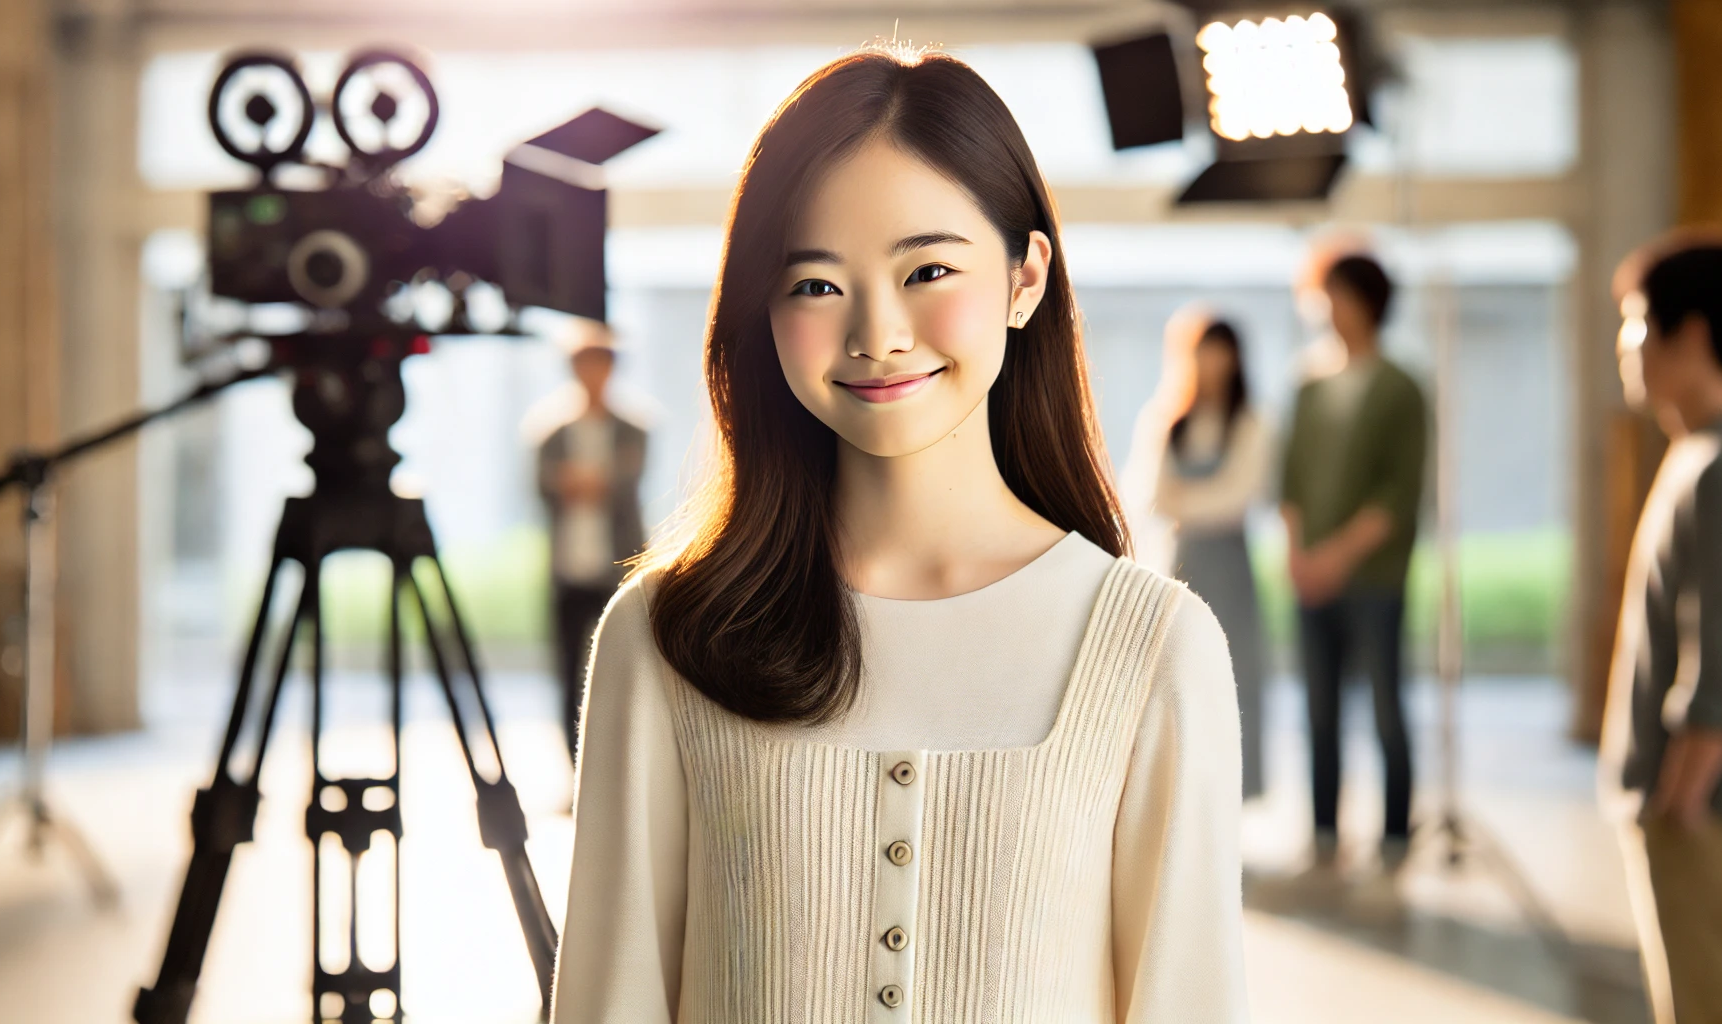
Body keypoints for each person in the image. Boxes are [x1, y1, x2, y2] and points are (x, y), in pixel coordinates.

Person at [553, 47, 1247, 1021]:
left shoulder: (1151, 647)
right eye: (815, 284)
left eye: (927, 268)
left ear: (1023, 276)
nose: (877, 332)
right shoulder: (664, 635)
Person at [1600, 239, 1722, 1024]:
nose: (1627, 348)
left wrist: (1680, 796)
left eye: (1636, 327)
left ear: (1690, 335)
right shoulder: (1701, 452)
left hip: (1712, 810)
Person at [1280, 253, 1428, 866]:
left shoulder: (1401, 388)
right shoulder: (1309, 385)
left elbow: (1397, 494)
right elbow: (1289, 481)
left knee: (1387, 708)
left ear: (1367, 301)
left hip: (1372, 576)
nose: (1325, 309)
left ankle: (1395, 833)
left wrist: (1335, 557)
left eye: (1335, 295)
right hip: (1311, 575)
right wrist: (1298, 556)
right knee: (1318, 710)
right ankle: (1323, 831)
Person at [1155, 317, 1272, 799]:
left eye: (1222, 352)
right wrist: (1197, 499)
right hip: (1180, 567)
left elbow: (1239, 497)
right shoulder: (1170, 421)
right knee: (1180, 689)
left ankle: (1233, 804)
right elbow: (1156, 497)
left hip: (1230, 569)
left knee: (1235, 681)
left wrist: (1188, 499)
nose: (1213, 363)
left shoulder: (1251, 423)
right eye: (1204, 351)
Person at [536, 322, 646, 763]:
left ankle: (618, 768)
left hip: (616, 569)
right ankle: (573, 770)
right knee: (568, 676)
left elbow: (621, 484)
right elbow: (546, 487)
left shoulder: (632, 428)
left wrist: (584, 482)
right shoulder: (551, 432)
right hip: (568, 569)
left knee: (621, 674)